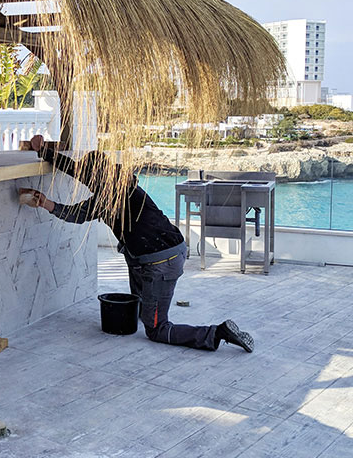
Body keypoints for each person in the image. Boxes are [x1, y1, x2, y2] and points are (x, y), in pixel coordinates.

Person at [21, 135, 254, 353]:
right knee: (141, 297)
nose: (84, 181)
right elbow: (76, 170)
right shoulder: (120, 181)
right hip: (165, 251)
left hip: (159, 263)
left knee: (157, 329)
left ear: (95, 177)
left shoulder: (107, 197)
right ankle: (150, 306)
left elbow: (78, 214)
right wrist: (44, 151)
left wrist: (46, 203)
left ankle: (215, 333)